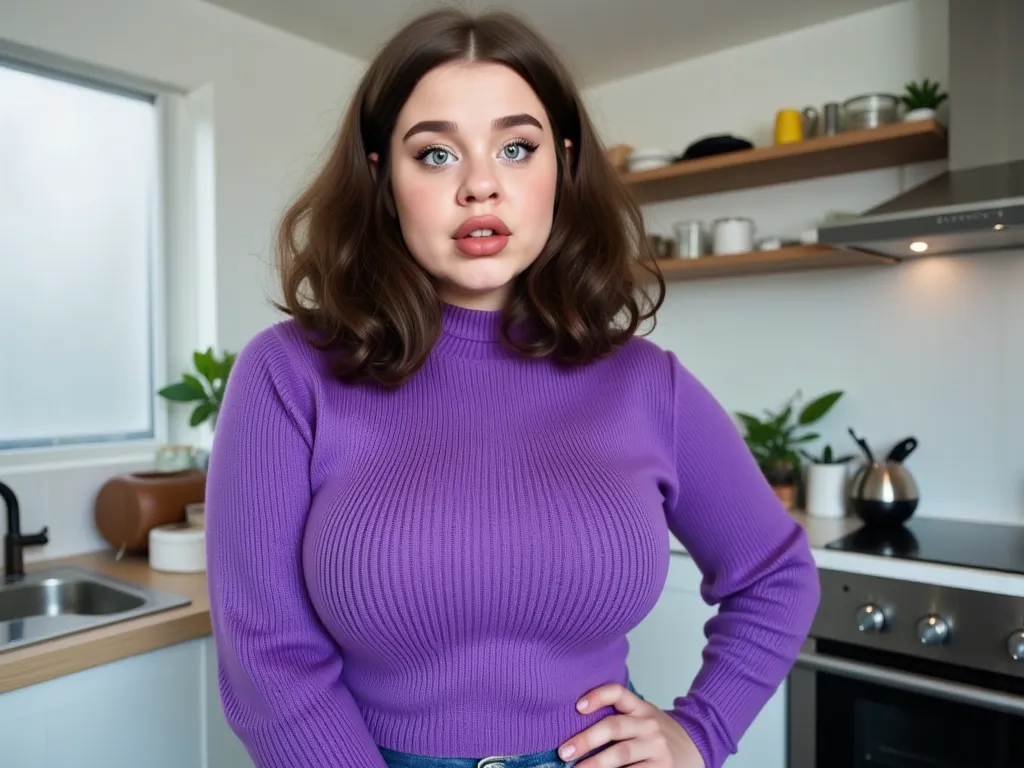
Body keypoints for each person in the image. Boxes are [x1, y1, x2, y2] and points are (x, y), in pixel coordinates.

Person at [204, 7, 821, 768]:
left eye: (516, 148)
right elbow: (265, 655)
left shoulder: (645, 383)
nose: (480, 186)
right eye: (435, 155)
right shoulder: (288, 374)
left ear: (560, 166)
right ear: (381, 178)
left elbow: (777, 576)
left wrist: (701, 730)